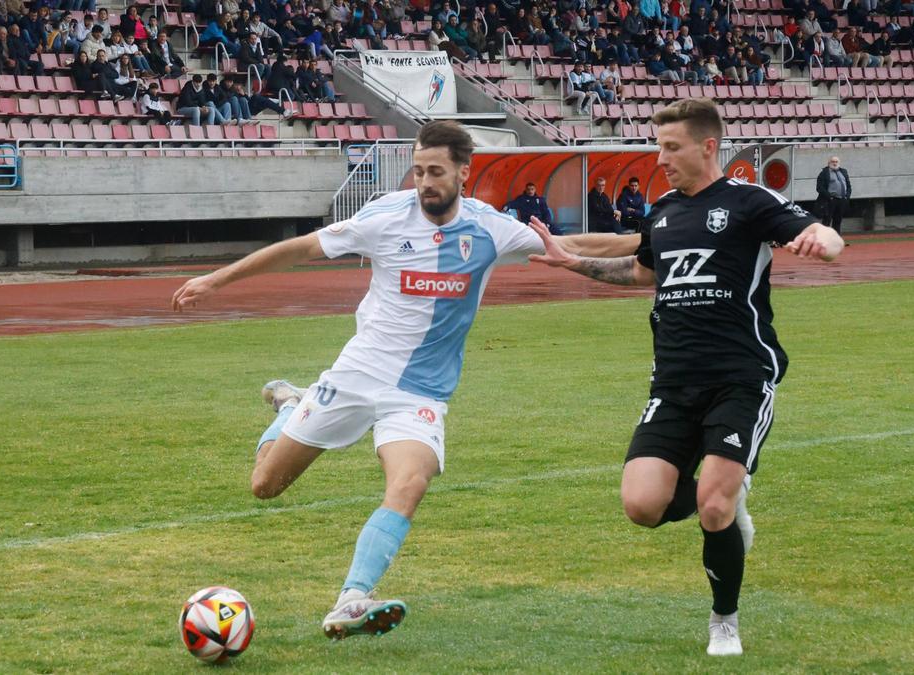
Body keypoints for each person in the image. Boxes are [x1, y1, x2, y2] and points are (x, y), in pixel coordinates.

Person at [170, 121, 552, 641]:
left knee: (410, 482)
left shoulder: (491, 229)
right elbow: (301, 249)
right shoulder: (384, 217)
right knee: (265, 485)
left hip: (420, 392)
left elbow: (568, 246)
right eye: (418, 171)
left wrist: (653, 250)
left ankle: (352, 597)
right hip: (355, 376)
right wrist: (215, 279)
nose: (424, 182)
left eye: (435, 172)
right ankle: (290, 405)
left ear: (465, 171)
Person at [525, 97, 843, 658]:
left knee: (715, 510)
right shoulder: (664, 208)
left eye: (671, 148)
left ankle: (725, 620)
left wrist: (824, 240)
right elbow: (642, 271)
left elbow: (820, 231)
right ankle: (724, 490)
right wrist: (570, 261)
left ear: (708, 146)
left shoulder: (748, 201)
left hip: (740, 377)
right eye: (659, 147)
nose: (661, 159)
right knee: (642, 506)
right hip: (671, 382)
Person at [815, 156, 851, 233]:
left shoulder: (843, 172)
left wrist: (847, 196)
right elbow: (819, 188)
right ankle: (824, 241)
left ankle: (836, 240)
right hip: (830, 201)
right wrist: (829, 197)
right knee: (827, 221)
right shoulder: (824, 173)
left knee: (838, 221)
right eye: (833, 161)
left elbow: (848, 186)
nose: (834, 163)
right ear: (829, 163)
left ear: (839, 163)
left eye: (836, 162)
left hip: (842, 200)